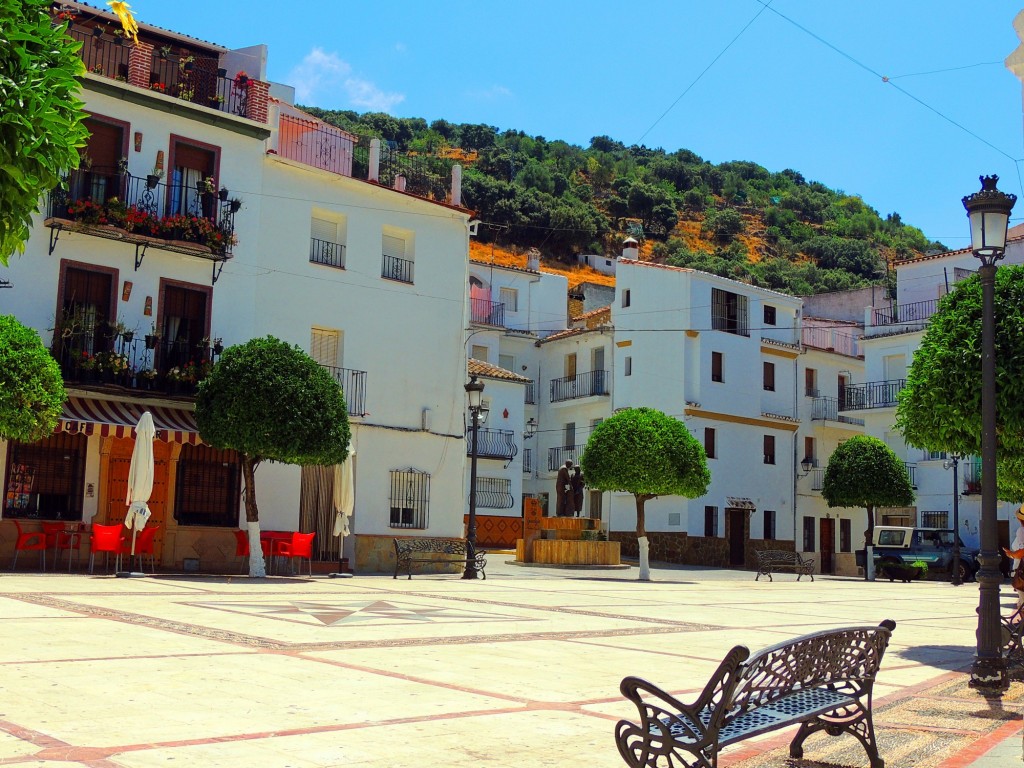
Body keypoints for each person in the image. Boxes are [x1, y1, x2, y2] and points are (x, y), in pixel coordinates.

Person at [1003, 505, 1024, 612]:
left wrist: (1011, 554)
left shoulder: (1021, 531)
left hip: (1021, 573)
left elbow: (1022, 552)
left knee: (1022, 604)